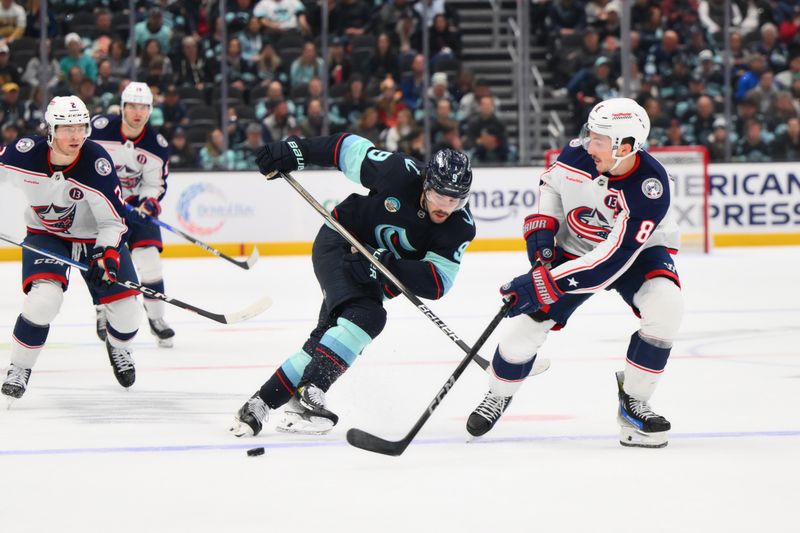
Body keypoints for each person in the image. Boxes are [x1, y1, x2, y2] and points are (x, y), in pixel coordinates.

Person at [467, 97, 683, 448]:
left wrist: (544, 283)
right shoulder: (579, 154)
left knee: (666, 307)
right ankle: (499, 393)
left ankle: (635, 401)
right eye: (589, 133)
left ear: (625, 146)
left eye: (597, 139)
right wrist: (543, 229)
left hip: (636, 254)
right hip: (575, 246)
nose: (587, 143)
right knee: (526, 329)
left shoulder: (651, 187)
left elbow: (612, 259)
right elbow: (550, 185)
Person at [230, 135, 476, 436]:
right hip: (341, 241)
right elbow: (345, 149)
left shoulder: (460, 225)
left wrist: (384, 262)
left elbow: (437, 283)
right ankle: (311, 392)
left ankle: (259, 404)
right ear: (427, 182)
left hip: (375, 271)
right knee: (368, 315)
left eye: (456, 199)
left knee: (328, 338)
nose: (446, 207)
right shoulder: (398, 172)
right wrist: (294, 151)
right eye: (440, 196)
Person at [0, 96, 142, 402]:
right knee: (43, 300)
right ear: (50, 130)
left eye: (80, 126)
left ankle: (118, 346)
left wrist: (108, 255)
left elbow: (113, 222)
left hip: (94, 237)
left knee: (129, 314)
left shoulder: (97, 165)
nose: (75, 136)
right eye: (66, 128)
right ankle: (19, 367)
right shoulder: (23, 153)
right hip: (46, 233)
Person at [89, 82, 173, 347]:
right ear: (122, 107)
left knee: (150, 262)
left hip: (134, 210)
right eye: (133, 106)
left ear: (150, 110)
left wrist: (148, 203)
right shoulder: (99, 128)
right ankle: (102, 311)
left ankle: (157, 318)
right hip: (101, 207)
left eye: (143, 107)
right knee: (102, 263)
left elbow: (155, 184)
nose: (138, 112)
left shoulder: (156, 145)